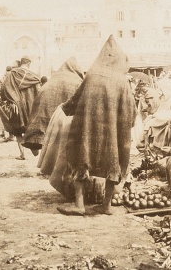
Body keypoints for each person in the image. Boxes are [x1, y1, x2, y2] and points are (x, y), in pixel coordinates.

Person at [56, 36, 134, 216]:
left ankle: (79, 204)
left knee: (82, 158)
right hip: (113, 133)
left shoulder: (91, 75)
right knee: (114, 162)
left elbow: (75, 99)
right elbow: (131, 110)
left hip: (87, 130)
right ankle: (106, 206)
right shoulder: (122, 81)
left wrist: (65, 108)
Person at [30, 58, 84, 161]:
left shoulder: (50, 82)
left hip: (50, 117)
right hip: (68, 119)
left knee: (51, 141)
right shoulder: (78, 82)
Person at [3, 57, 44, 159]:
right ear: (29, 64)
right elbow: (39, 92)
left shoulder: (12, 74)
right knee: (30, 128)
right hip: (31, 107)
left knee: (17, 131)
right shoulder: (34, 77)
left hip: (16, 106)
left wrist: (12, 100)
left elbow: (5, 88)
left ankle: (22, 154)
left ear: (21, 63)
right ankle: (33, 148)